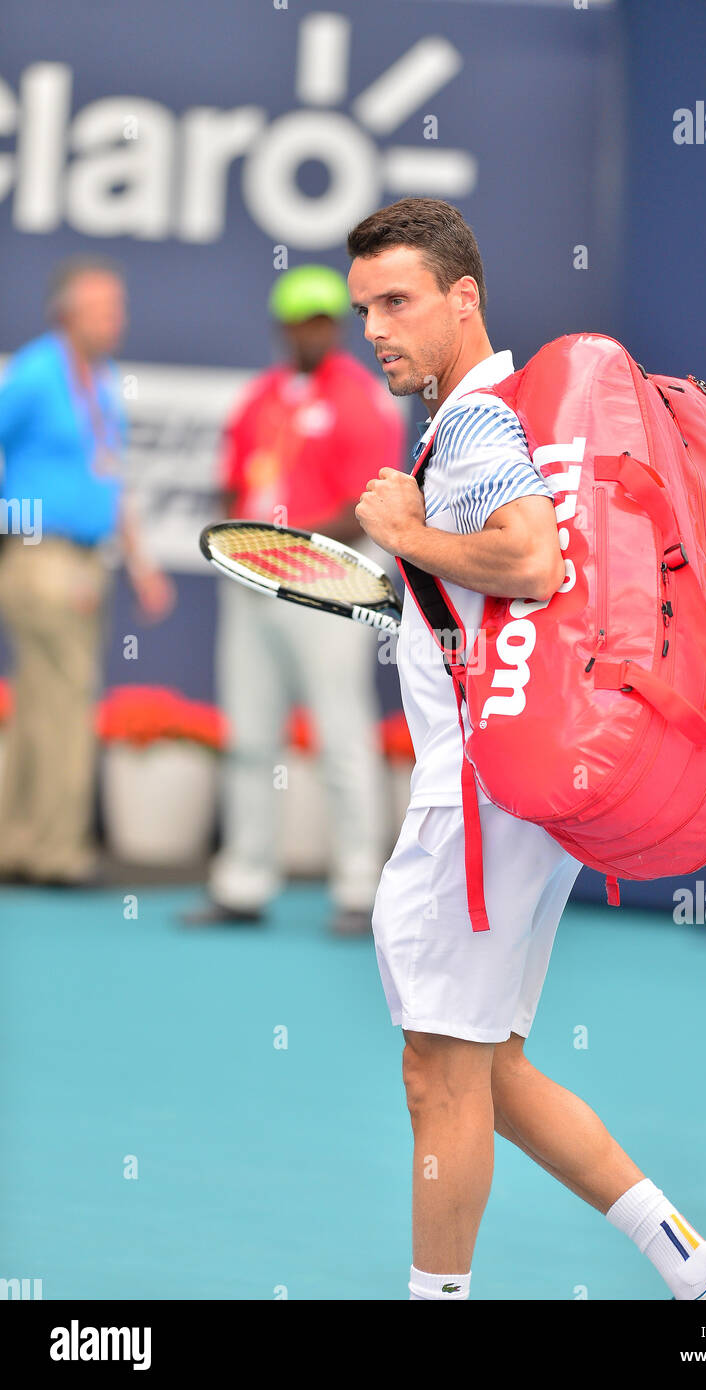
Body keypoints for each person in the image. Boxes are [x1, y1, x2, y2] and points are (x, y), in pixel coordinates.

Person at [346, 197, 706, 1301]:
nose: (376, 329)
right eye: (365, 309)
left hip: (474, 815)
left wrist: (401, 534)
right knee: (485, 1066)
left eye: (397, 302)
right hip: (510, 805)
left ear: (464, 299)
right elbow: (499, 606)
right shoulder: (493, 420)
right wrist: (419, 583)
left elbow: (532, 562)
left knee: (434, 1074)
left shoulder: (482, 422)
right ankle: (703, 1270)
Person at [184, 265, 406, 936]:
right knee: (249, 736)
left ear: (332, 325)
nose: (309, 330)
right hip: (254, 585)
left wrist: (283, 545)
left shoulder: (362, 399)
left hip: (326, 586)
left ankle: (358, 889)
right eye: (297, 319)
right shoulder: (259, 398)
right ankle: (243, 882)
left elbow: (364, 505)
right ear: (284, 326)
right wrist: (242, 542)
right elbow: (230, 483)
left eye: (320, 318)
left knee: (341, 734)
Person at [0, 257, 173, 885]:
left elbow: (111, 475)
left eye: (117, 307)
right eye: (104, 308)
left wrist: (141, 565)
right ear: (67, 312)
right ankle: (57, 853)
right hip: (43, 556)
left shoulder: (101, 381)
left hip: (83, 561)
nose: (116, 320)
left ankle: (18, 845)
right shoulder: (38, 372)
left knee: (44, 703)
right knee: (68, 700)